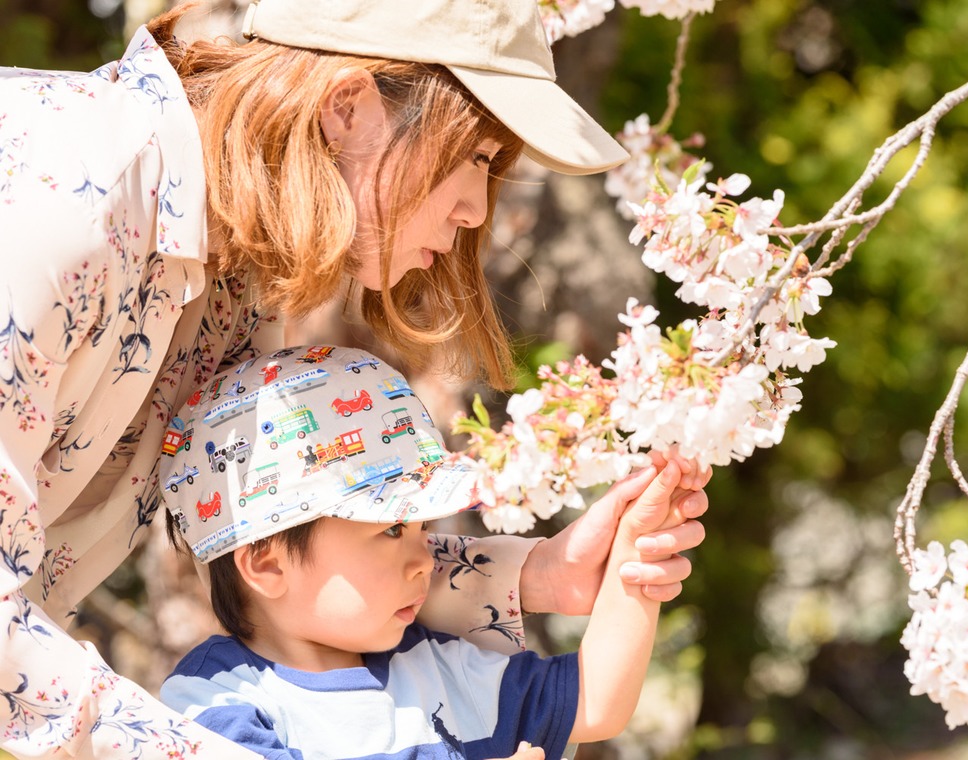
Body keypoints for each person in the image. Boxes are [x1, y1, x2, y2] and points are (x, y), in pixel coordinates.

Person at [0, 0, 710, 757]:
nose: (477, 209)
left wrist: (540, 576)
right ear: (348, 106)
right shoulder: (61, 195)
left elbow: (315, 549)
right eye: (474, 156)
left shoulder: (230, 276)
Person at [158, 346, 683, 760]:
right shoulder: (217, 700)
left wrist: (634, 554)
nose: (426, 558)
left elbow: (596, 701)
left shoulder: (433, 663)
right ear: (269, 563)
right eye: (390, 531)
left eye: (423, 528)